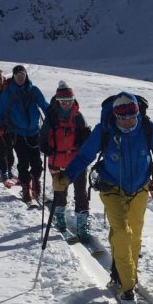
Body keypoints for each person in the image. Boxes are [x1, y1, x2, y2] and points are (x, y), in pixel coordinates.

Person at [57, 91, 153, 304]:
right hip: (111, 188)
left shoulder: (148, 129)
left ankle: (121, 271)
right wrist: (67, 176)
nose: (128, 121)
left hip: (140, 189)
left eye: (132, 116)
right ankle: (127, 285)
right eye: (122, 118)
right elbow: (84, 156)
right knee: (122, 232)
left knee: (134, 237)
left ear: (138, 113)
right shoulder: (105, 131)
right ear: (115, 116)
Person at [39, 81, 91, 237]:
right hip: (57, 160)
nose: (67, 104)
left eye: (69, 101)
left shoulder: (78, 117)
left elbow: (86, 137)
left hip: (76, 162)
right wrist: (44, 146)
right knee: (60, 191)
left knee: (81, 193)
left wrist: (86, 139)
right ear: (58, 101)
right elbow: (43, 136)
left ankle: (82, 225)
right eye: (63, 101)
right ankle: (59, 217)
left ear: (73, 100)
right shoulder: (51, 117)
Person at [0, 64, 49, 203]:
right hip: (17, 133)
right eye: (18, 76)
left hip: (34, 132)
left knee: (36, 161)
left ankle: (36, 184)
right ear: (13, 76)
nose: (20, 78)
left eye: (22, 76)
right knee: (23, 162)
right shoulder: (8, 92)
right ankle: (26, 189)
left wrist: (53, 120)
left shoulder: (33, 90)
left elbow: (44, 105)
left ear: (26, 76)